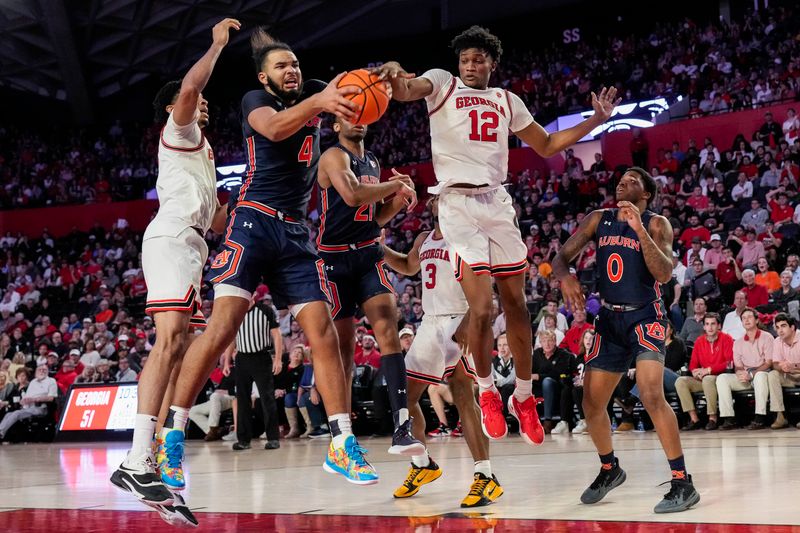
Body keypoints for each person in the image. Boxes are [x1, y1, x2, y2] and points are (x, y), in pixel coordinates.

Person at [374, 25, 619, 446]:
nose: (471, 65)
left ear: (493, 63)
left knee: (518, 307)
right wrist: (395, 73)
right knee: (482, 309)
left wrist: (596, 120)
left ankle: (523, 398)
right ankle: (488, 391)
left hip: (497, 203)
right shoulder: (442, 83)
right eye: (466, 59)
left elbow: (546, 144)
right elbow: (406, 89)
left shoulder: (508, 100)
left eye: (479, 59)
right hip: (455, 206)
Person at [160, 27, 377, 487]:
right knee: (221, 331)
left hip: (296, 233)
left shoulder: (318, 93)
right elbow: (278, 128)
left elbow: (358, 90)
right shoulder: (252, 102)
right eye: (281, 65)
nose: (292, 69)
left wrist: (385, 77)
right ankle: (171, 439)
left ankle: (341, 442)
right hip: (253, 223)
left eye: (295, 63)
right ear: (264, 77)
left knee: (323, 333)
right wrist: (321, 103)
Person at [110, 19, 238, 523]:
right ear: (173, 110)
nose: (202, 104)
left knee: (181, 346)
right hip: (170, 240)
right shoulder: (178, 127)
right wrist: (216, 45)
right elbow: (189, 86)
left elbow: (219, 220)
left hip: (191, 245)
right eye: (194, 102)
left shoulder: (203, 153)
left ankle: (150, 465)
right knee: (168, 344)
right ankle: (137, 457)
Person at [552, 167, 700, 513]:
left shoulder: (657, 223)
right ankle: (610, 468)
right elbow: (560, 257)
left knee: (650, 393)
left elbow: (664, 274)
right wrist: (565, 277)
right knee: (590, 402)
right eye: (621, 179)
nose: (623, 183)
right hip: (609, 319)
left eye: (633, 181)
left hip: (645, 315)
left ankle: (682, 482)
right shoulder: (598, 219)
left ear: (646, 193)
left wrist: (638, 230)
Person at [381, 195, 502, 508]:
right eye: (435, 197)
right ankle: (422, 465)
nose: (438, 200)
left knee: (463, 394)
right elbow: (408, 266)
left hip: (460, 317)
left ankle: (485, 476)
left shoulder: (467, 238)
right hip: (430, 323)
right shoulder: (424, 239)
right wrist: (378, 249)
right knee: (404, 397)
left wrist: (470, 320)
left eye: (445, 197)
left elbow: (488, 293)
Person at [315, 116, 421, 455]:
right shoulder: (332, 156)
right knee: (343, 350)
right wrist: (395, 186)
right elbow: (351, 195)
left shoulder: (373, 160)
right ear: (334, 126)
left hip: (367, 253)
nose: (356, 121)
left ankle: (402, 427)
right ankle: (343, 437)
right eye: (347, 116)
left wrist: (398, 201)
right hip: (332, 259)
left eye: (361, 115)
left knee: (388, 329)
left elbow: (374, 219)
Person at [222, 294, 283, 451]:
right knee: (242, 400)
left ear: (254, 296)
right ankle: (243, 440)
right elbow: (233, 338)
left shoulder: (265, 310)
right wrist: (227, 361)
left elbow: (276, 335)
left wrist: (278, 359)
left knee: (267, 398)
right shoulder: (237, 311)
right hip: (242, 358)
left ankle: (273, 438)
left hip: (261, 357)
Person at [674, 313, 734, 430]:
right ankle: (694, 418)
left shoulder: (727, 339)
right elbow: (693, 365)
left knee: (708, 379)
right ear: (704, 327)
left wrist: (709, 370)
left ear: (719, 326)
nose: (710, 327)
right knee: (680, 381)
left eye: (713, 324)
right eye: (707, 324)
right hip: (703, 378)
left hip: (720, 378)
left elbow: (728, 362)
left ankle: (712, 418)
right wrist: (695, 371)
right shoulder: (699, 341)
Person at [716, 308, 773, 430]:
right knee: (722, 378)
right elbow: (738, 365)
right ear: (741, 322)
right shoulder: (738, 342)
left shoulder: (767, 337)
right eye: (744, 318)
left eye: (750, 317)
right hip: (746, 376)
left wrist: (752, 374)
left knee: (760, 376)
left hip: (763, 373)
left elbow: (768, 363)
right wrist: (741, 373)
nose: (746, 320)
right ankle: (729, 418)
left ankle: (760, 417)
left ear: (757, 320)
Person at [532, 330, 578, 435]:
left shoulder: (563, 355)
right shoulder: (536, 354)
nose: (547, 344)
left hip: (558, 387)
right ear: (540, 342)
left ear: (555, 342)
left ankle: (548, 421)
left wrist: (539, 376)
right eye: (544, 341)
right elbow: (531, 372)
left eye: (550, 341)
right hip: (538, 387)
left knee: (547, 381)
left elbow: (559, 373)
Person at [0, 365, 56, 442]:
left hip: (40, 407)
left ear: (47, 371)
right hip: (28, 407)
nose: (42, 371)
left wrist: (34, 399)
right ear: (36, 372)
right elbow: (26, 397)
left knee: (17, 413)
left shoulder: (51, 381)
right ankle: (2, 434)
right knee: (8, 414)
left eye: (44, 370)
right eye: (39, 369)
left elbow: (51, 398)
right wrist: (23, 401)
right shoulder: (33, 382)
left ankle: (1, 432)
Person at [768, 314, 800, 429]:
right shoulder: (777, 341)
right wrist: (782, 367)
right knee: (772, 374)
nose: (780, 330)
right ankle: (780, 416)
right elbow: (775, 364)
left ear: (792, 327)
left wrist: (794, 366)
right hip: (789, 376)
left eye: (783, 326)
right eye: (777, 327)